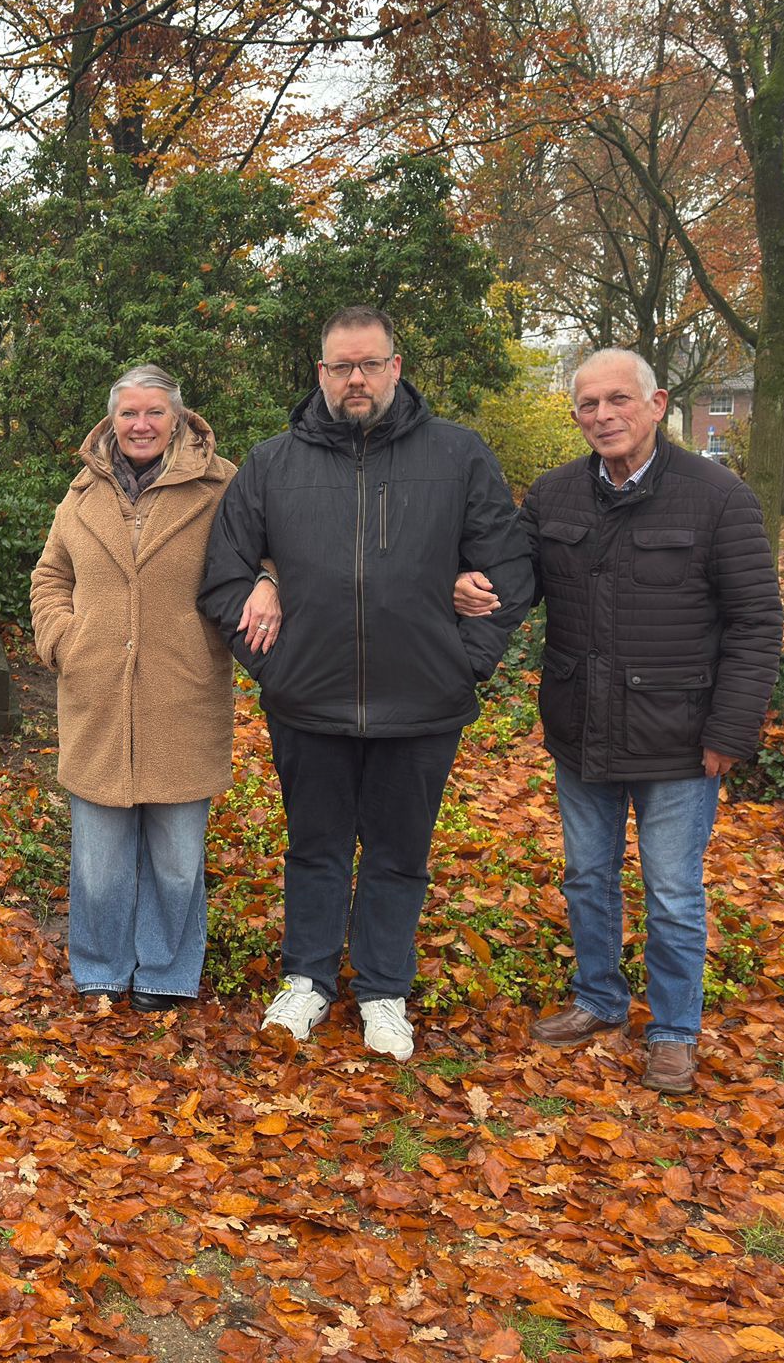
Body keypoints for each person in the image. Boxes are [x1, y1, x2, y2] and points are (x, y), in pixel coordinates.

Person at [199, 306, 533, 1061]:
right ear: (320, 373)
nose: (356, 379)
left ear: (395, 367)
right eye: (341, 366)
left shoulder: (457, 456)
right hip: (307, 701)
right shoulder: (273, 464)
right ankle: (307, 979)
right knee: (314, 849)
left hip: (422, 703)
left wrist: (464, 659)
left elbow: (509, 571)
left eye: (370, 364)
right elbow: (222, 576)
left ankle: (383, 990)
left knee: (397, 853)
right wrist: (272, 648)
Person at [454, 349, 782, 1094]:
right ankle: (599, 999)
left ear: (656, 404)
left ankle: (673, 1031)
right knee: (587, 878)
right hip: (582, 728)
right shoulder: (555, 494)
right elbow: (516, 580)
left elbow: (757, 623)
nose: (602, 416)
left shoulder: (718, 497)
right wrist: (468, 586)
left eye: (618, 400)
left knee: (672, 894)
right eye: (587, 405)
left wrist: (730, 732)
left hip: (679, 738)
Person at [31, 365, 245, 1010]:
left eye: (154, 412)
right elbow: (50, 575)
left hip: (184, 693)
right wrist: (63, 639)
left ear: (177, 419)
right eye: (129, 413)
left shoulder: (222, 486)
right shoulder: (82, 492)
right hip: (95, 693)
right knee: (99, 859)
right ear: (113, 419)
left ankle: (166, 971)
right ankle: (100, 964)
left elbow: (260, 565)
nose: (141, 424)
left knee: (177, 859)